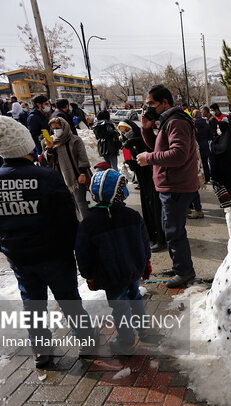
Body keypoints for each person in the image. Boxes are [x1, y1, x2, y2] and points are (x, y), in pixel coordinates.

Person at [0, 115, 96, 367]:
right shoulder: (46, 177)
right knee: (69, 300)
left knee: (32, 304)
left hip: (19, 257)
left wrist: (7, 248)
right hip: (55, 255)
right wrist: (71, 249)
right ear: (26, 146)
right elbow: (68, 219)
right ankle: (85, 339)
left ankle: (41, 350)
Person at [75, 169, 151, 355]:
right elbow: (144, 243)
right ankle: (143, 327)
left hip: (110, 277)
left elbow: (82, 252)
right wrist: (145, 262)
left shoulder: (88, 223)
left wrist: (89, 276)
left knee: (119, 306)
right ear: (121, 192)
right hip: (133, 270)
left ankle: (126, 340)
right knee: (135, 297)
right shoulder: (133, 216)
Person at [137, 84, 199, 288]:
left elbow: (178, 155)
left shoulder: (176, 122)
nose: (148, 108)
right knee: (171, 229)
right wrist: (146, 129)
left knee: (173, 231)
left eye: (151, 104)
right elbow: (158, 146)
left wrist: (149, 158)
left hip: (176, 186)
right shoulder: (168, 121)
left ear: (165, 102)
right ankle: (180, 265)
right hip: (171, 185)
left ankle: (184, 272)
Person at [119, 121, 166, 252]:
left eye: (126, 130)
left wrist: (136, 144)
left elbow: (151, 155)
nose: (125, 133)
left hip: (152, 179)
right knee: (148, 207)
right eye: (122, 132)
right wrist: (130, 162)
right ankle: (152, 234)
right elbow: (137, 164)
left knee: (156, 208)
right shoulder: (129, 144)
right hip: (143, 180)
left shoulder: (144, 140)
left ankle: (161, 238)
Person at [43, 117, 91, 220]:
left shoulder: (75, 140)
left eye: (57, 127)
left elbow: (82, 157)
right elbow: (49, 160)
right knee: (69, 204)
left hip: (76, 176)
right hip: (61, 178)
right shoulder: (53, 141)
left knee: (80, 202)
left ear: (64, 127)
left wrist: (82, 173)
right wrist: (49, 147)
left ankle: (88, 225)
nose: (55, 130)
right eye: (53, 128)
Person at [210, 120, 231, 203]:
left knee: (227, 184)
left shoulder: (227, 138)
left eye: (219, 128)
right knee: (224, 184)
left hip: (227, 166)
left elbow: (223, 148)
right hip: (221, 165)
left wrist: (214, 146)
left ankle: (228, 202)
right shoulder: (221, 136)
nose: (218, 129)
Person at [192, 109, 211, 183]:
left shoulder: (192, 124)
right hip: (204, 145)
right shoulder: (206, 124)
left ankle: (197, 179)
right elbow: (210, 136)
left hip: (195, 146)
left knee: (195, 164)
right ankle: (207, 178)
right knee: (205, 163)